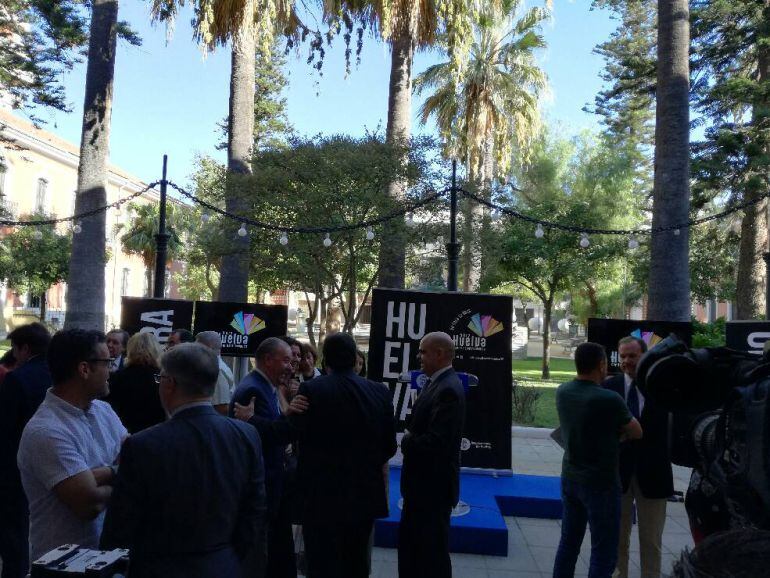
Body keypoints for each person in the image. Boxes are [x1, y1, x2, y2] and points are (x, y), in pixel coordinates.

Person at [100, 343, 267, 578]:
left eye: (161, 378)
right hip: (224, 565)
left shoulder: (142, 445)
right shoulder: (246, 435)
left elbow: (120, 528)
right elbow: (254, 512)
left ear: (169, 384)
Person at [289, 332, 396, 578]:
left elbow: (294, 433)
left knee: (321, 563)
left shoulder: (311, 389)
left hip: (320, 496)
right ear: (354, 358)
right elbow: (389, 446)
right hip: (364, 495)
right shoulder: (379, 392)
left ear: (325, 359)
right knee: (356, 563)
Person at [17, 329, 127, 562]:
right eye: (107, 362)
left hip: (105, 559)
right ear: (84, 369)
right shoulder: (45, 430)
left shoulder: (103, 411)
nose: (112, 369)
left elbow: (135, 458)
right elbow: (89, 504)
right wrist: (120, 473)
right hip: (61, 565)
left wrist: (97, 475)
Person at [552, 342, 643, 578]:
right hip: (601, 483)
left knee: (568, 543)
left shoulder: (563, 391)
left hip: (570, 478)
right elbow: (636, 431)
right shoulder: (609, 399)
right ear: (602, 364)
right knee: (603, 552)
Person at [231, 337, 307, 578]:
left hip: (274, 488)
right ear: (267, 360)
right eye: (285, 359)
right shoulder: (254, 389)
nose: (291, 365)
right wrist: (291, 416)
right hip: (262, 487)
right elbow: (271, 435)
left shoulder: (266, 386)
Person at [603, 336, 673, 578]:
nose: (626, 361)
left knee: (651, 540)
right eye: (622, 356)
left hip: (653, 474)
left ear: (644, 356)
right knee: (617, 537)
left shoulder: (662, 388)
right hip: (617, 474)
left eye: (632, 356)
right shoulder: (608, 388)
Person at [398, 331, 466, 578]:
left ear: (439, 354)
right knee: (417, 551)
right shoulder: (438, 382)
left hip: (432, 490)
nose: (419, 357)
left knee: (431, 555)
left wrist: (406, 441)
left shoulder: (448, 389)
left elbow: (435, 443)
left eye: (423, 352)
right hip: (423, 489)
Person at [0, 322, 51, 578]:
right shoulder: (58, 373)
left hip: (16, 463)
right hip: (54, 458)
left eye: (15, 349)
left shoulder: (18, 379)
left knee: (14, 530)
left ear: (25, 348)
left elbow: (5, 426)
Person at [105, 332, 166, 433]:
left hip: (125, 433)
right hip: (156, 433)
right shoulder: (163, 378)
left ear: (130, 349)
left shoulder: (118, 377)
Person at [196, 330, 234, 415]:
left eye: (197, 346)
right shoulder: (212, 367)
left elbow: (222, 408)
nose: (194, 350)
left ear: (208, 347)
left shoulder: (217, 371)